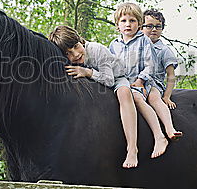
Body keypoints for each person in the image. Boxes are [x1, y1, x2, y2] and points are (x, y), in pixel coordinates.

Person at [49, 25, 139, 168]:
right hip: (98, 83)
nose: (75, 54)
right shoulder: (72, 61)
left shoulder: (97, 50)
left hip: (118, 78)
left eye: (75, 46)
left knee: (124, 94)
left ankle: (132, 148)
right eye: (68, 53)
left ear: (80, 40)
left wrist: (87, 72)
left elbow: (109, 80)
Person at [109, 3, 170, 158]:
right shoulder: (114, 45)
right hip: (122, 82)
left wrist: (141, 80)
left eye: (132, 21)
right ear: (117, 25)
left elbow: (150, 65)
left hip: (140, 82)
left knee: (136, 98)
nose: (128, 24)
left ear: (139, 24)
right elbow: (110, 65)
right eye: (123, 21)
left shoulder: (144, 41)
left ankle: (159, 135)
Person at [141, 9, 182, 140]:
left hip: (154, 84)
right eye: (149, 26)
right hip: (137, 81)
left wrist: (167, 96)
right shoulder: (136, 46)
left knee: (154, 99)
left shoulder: (164, 50)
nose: (154, 29)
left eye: (158, 26)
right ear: (141, 27)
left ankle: (169, 128)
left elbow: (171, 75)